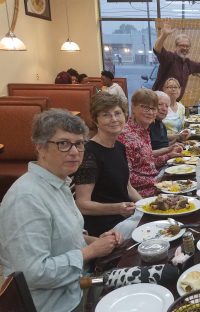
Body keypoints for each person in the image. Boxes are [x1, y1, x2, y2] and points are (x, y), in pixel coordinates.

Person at [0, 109, 122, 312]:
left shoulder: (59, 182)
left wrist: (98, 241)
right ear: (40, 147)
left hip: (77, 284)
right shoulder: (26, 198)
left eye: (79, 143)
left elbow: (68, 237)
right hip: (57, 303)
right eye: (63, 144)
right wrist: (90, 251)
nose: (74, 152)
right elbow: (34, 273)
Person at [74, 93, 142, 237]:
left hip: (125, 218)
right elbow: (82, 205)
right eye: (106, 115)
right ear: (96, 120)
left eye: (118, 113)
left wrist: (148, 205)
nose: (114, 119)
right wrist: (117, 208)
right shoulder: (89, 153)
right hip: (105, 227)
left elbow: (128, 188)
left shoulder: (119, 147)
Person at [117, 89, 183, 197]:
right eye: (145, 107)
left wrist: (169, 155)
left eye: (153, 108)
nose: (150, 112)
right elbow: (128, 178)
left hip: (156, 185)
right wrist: (159, 182)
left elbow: (146, 163)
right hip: (143, 194)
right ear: (133, 107)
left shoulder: (144, 130)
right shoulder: (126, 136)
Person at [152, 21, 200, 100]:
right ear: (176, 47)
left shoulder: (189, 64)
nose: (185, 48)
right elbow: (157, 49)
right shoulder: (169, 58)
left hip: (174, 104)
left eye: (187, 46)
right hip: (159, 103)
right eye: (182, 45)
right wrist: (164, 35)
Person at [150, 91, 190, 156]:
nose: (164, 109)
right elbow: (147, 154)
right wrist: (169, 150)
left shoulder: (161, 124)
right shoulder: (148, 125)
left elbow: (162, 146)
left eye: (166, 106)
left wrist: (176, 141)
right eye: (160, 104)